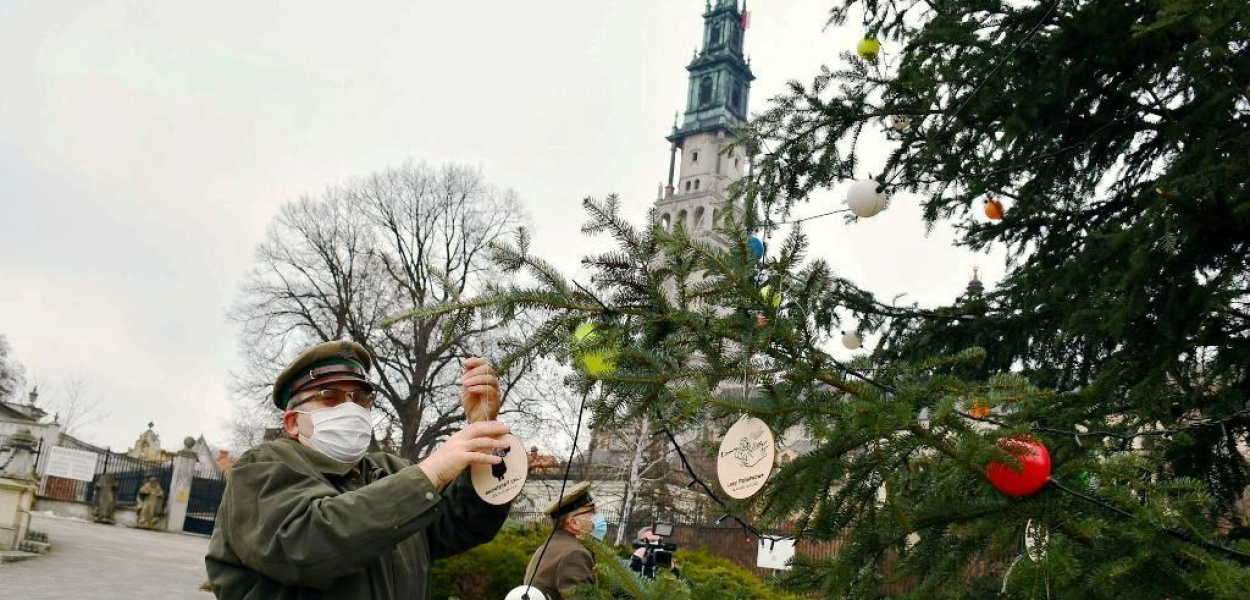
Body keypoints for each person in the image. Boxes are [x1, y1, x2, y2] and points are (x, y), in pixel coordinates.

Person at [205, 340, 513, 599]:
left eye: (360, 397)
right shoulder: (262, 466)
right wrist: (427, 475)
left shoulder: (390, 471)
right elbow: (303, 545)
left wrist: (483, 436)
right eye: (329, 397)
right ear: (293, 422)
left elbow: (462, 524)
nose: (350, 408)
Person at [523, 482, 607, 600]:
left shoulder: (548, 547)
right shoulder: (575, 554)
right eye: (592, 511)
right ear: (574, 523)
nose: (598, 516)